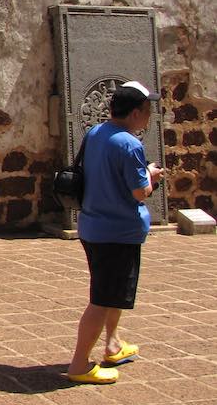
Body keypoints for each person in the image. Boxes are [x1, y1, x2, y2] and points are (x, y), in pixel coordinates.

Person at [66, 80, 164, 385]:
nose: (149, 117)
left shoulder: (95, 133)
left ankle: (113, 344)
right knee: (102, 299)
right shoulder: (130, 144)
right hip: (117, 231)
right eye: (148, 111)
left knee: (111, 294)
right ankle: (80, 364)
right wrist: (152, 175)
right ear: (136, 113)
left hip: (93, 226)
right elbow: (140, 192)